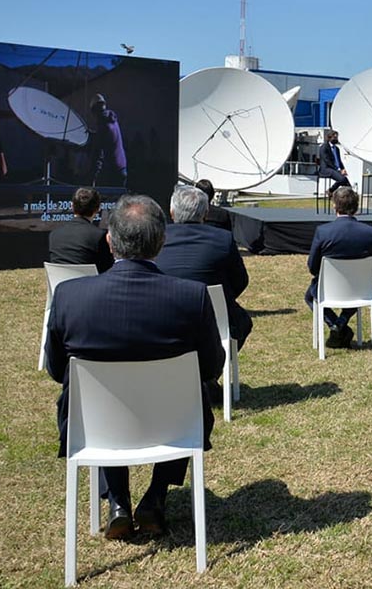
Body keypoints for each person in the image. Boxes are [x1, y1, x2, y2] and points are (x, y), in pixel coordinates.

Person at [44, 194, 223, 539]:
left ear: (109, 241)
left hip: (94, 426)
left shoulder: (69, 297)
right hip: (175, 425)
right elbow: (211, 368)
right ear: (161, 241)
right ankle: (154, 498)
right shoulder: (192, 297)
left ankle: (117, 501)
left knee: (82, 403)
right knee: (193, 399)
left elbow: (56, 370)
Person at [155, 185, 253, 350]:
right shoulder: (223, 239)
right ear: (206, 214)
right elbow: (240, 280)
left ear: (171, 212)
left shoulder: (155, 238)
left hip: (162, 317)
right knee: (242, 322)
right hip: (212, 317)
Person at [305, 186, 372, 348]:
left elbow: (312, 266)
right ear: (356, 207)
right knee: (356, 293)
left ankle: (334, 324)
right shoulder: (370, 233)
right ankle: (341, 323)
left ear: (334, 206)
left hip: (329, 288)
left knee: (310, 296)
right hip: (360, 288)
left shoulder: (323, 232)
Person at [48, 187, 114, 272]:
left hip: (60, 284)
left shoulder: (54, 235)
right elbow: (107, 270)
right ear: (98, 208)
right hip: (90, 284)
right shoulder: (100, 236)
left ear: (72, 206)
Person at [87, 94, 127, 187]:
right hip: (122, 168)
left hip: (112, 172)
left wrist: (92, 177)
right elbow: (108, 138)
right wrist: (95, 135)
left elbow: (98, 154)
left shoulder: (103, 126)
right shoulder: (112, 119)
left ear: (94, 111)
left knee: (104, 199)